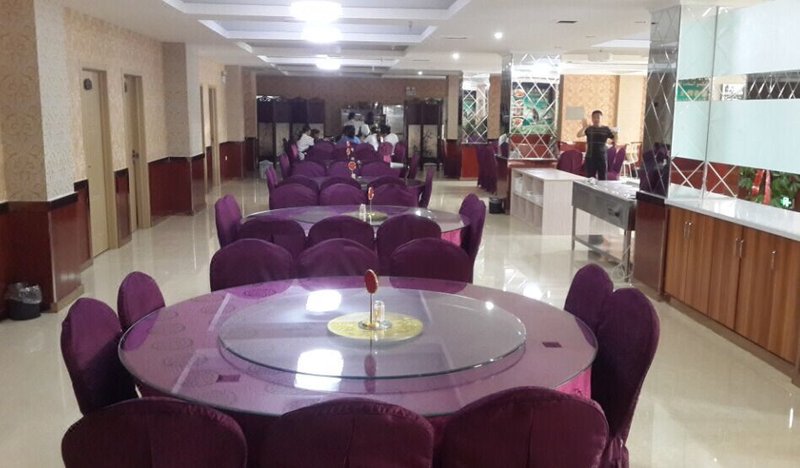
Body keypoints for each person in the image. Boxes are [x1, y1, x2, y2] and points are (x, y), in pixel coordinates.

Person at [578, 110, 616, 180]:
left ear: (601, 118)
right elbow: (579, 135)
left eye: (598, 117)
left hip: (602, 157)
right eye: (594, 117)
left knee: (603, 178)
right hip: (590, 157)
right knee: (590, 178)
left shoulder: (606, 129)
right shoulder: (589, 129)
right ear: (592, 119)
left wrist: (615, 133)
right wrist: (584, 127)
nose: (596, 119)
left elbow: (614, 139)